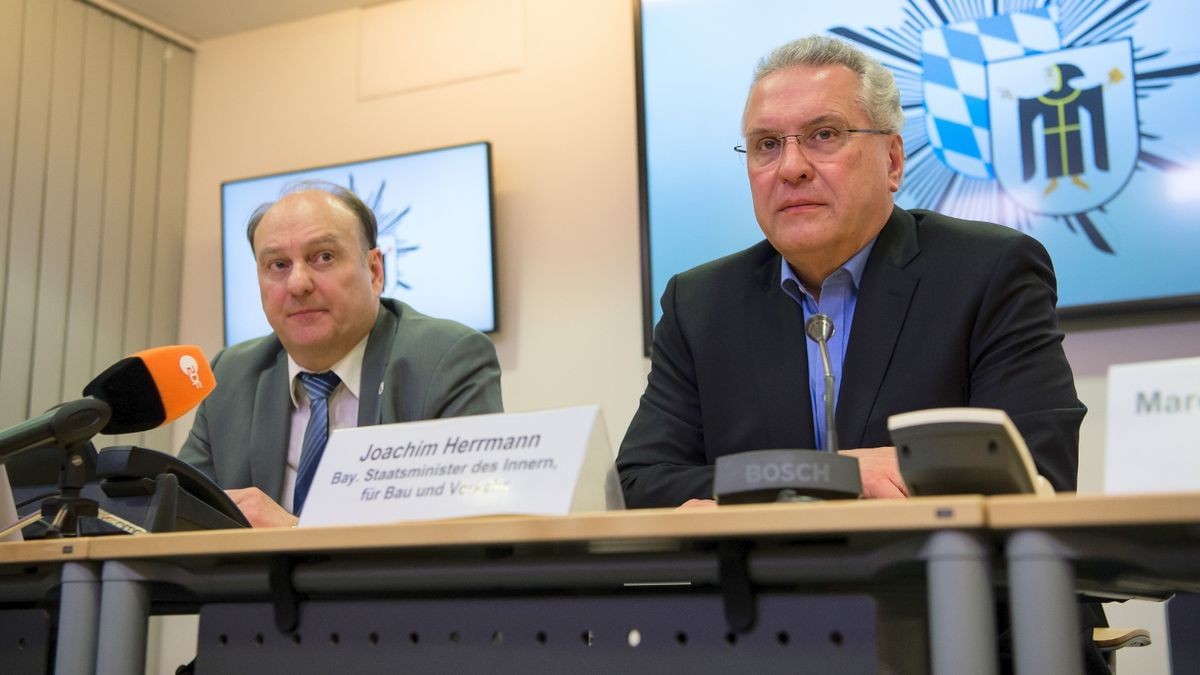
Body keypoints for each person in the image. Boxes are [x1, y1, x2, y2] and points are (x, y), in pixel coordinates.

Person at [616, 35, 1106, 673]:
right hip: (771, 642)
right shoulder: (701, 302)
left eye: (823, 135)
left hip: (975, 638)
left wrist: (747, 491)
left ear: (894, 161)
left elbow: (1037, 469)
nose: (790, 167)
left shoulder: (989, 271)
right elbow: (645, 479)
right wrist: (833, 477)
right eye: (767, 144)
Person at [179, 183, 502, 527]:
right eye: (278, 265)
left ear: (375, 271)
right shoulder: (231, 375)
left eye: (324, 257)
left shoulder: (446, 359)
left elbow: (468, 528)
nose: (297, 284)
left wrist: (295, 532)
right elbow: (180, 516)